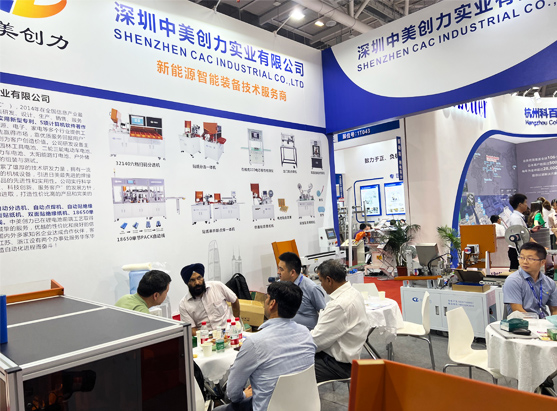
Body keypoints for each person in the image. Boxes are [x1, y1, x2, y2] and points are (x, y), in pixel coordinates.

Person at [215, 281, 316, 411]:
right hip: (305, 404)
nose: (265, 302)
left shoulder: (255, 343)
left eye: (266, 298)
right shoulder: (306, 333)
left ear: (272, 304)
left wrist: (244, 395)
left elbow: (232, 393)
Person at [311, 259, 369, 383]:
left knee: (293, 366)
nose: (321, 285)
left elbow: (315, 342)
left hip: (337, 365)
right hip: (349, 357)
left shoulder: (339, 305)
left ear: (329, 280)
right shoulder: (354, 293)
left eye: (321, 281)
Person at [179, 263, 240, 335]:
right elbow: (192, 329)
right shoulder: (184, 304)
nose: (197, 282)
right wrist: (207, 336)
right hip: (206, 337)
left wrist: (235, 322)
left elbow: (234, 300)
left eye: (199, 278)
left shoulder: (217, 286)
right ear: (187, 283)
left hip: (230, 332)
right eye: (192, 280)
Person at [503, 242, 557, 318]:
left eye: (530, 259)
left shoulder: (549, 282)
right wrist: (537, 323)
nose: (525, 262)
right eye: (522, 257)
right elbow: (517, 310)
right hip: (521, 322)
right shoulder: (513, 280)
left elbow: (554, 310)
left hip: (543, 322)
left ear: (542, 262)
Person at [277, 252, 326, 330]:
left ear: (292, 272)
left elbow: (324, 314)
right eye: (278, 268)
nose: (278, 272)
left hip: (307, 333)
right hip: (285, 330)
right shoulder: (279, 285)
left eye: (281, 269)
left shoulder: (311, 288)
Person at [507, 193, 529, 270]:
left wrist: (530, 231)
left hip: (518, 249)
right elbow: (519, 235)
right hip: (516, 250)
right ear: (520, 204)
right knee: (516, 274)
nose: (526, 205)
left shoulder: (517, 217)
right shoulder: (516, 218)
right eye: (525, 202)